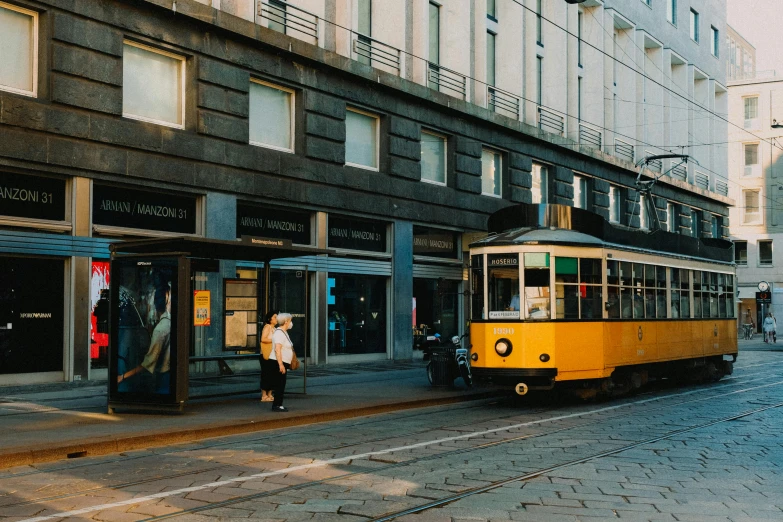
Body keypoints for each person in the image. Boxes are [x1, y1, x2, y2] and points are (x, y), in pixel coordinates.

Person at [118, 281, 171, 394]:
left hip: (164, 377)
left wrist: (122, 377)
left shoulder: (160, 329)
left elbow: (148, 363)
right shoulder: (168, 323)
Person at [269, 313, 296, 412]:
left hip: (282, 362)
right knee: (280, 384)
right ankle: (277, 405)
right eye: (290, 321)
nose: (291, 323)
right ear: (286, 322)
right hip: (279, 362)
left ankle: (278, 404)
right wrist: (280, 364)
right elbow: (277, 349)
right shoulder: (279, 333)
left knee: (281, 383)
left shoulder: (283, 332)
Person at [259, 311, 278, 402]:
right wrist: (273, 340)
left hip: (272, 355)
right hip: (266, 354)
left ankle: (269, 394)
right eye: (274, 317)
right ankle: (264, 395)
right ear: (270, 319)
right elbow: (263, 339)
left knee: (272, 375)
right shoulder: (267, 327)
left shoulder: (274, 329)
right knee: (266, 374)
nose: (276, 319)